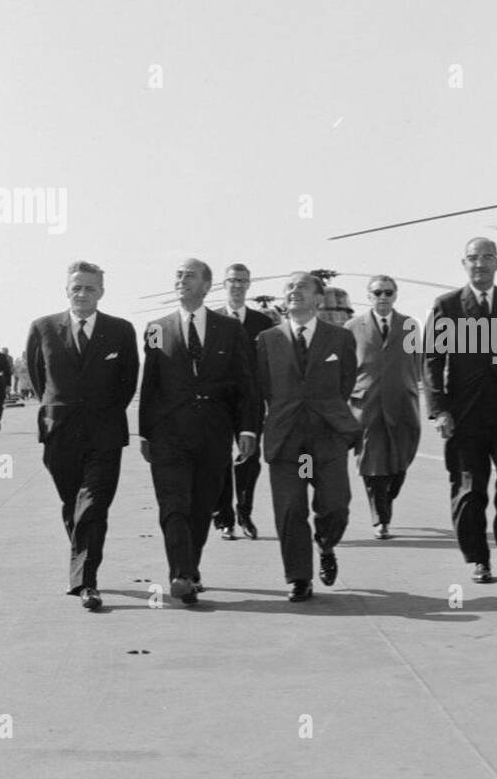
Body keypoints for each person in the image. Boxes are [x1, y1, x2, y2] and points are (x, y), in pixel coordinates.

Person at [139, 258, 259, 606]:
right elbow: (151, 384)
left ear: (207, 286)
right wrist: (145, 432)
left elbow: (245, 384)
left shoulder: (229, 328)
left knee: (201, 504)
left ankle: (190, 570)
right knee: (173, 503)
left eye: (189, 276)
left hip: (213, 433)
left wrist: (247, 428)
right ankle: (180, 573)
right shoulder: (156, 327)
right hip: (168, 434)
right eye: (177, 275)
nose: (181, 280)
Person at [423, 237, 497, 584]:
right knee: (470, 490)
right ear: (464, 264)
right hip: (465, 414)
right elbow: (432, 361)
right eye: (474, 258)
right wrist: (440, 410)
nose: (480, 264)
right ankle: (478, 558)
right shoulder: (447, 304)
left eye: (487, 257)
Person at [25, 261, 140, 611]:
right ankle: (83, 559)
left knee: (93, 505)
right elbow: (37, 378)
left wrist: (102, 412)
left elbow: (127, 381)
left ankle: (86, 582)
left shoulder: (120, 330)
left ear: (101, 292)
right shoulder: (43, 328)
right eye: (76, 287)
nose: (82, 293)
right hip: (59, 432)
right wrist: (56, 410)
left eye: (90, 288)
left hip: (104, 432)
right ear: (67, 290)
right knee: (72, 505)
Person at [256, 273, 360, 602]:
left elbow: (346, 383)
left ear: (319, 299)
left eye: (302, 287)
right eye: (289, 287)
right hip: (290, 444)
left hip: (326, 440)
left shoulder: (340, 339)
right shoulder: (267, 340)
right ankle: (299, 577)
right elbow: (263, 387)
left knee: (335, 506)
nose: (293, 291)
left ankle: (326, 544)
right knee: (290, 509)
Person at [346, 275, 422, 539]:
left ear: (395, 295)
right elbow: (344, 370)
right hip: (367, 406)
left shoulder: (410, 326)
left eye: (388, 293)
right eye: (377, 292)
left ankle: (386, 502)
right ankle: (380, 519)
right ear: (368, 296)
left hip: (403, 404)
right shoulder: (352, 327)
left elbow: (417, 363)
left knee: (400, 463)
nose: (383, 297)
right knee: (371, 462)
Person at [211, 263, 272, 541]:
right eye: (232, 280)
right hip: (219, 404)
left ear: (249, 285)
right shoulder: (211, 319)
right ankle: (223, 518)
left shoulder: (263, 323)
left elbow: (270, 365)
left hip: (251, 403)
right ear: (224, 284)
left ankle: (244, 513)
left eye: (242, 281)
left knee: (250, 460)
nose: (237, 285)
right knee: (220, 461)